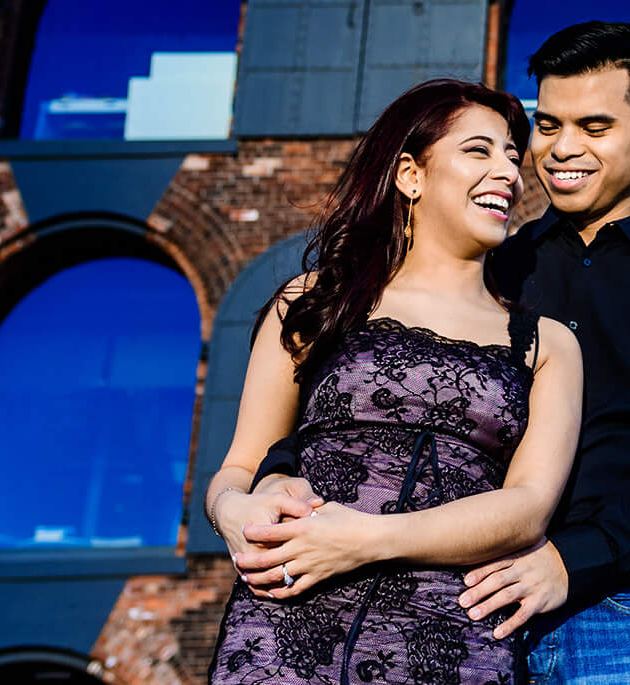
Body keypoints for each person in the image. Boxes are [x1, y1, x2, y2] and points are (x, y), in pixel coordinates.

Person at [240, 21, 630, 685]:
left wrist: (571, 560)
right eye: (548, 125)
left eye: (595, 126)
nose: (561, 148)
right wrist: (279, 468)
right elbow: (361, 376)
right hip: (445, 589)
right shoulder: (485, 269)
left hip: (611, 607)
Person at [204, 78, 582, 685]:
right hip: (285, 622)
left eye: (513, 156)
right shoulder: (312, 301)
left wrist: (365, 539)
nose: (509, 173)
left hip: (449, 640)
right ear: (411, 175)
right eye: (479, 151)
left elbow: (528, 510)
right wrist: (233, 514)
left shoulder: (547, 344)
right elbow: (239, 465)